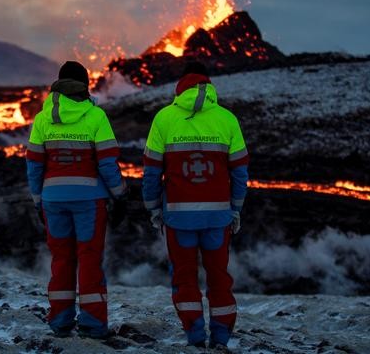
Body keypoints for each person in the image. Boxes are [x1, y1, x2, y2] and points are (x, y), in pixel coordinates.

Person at [142, 61, 249, 350]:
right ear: (209, 84)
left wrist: (153, 208)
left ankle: (195, 335)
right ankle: (221, 338)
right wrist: (235, 208)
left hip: (178, 219)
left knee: (185, 278)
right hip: (218, 219)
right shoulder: (227, 119)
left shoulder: (164, 118)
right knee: (219, 278)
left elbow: (151, 172)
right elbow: (240, 172)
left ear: (181, 85)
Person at [26, 60, 127, 338]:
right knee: (89, 260)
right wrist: (120, 195)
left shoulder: (43, 118)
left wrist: (38, 200)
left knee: (61, 259)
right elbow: (108, 163)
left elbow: (34, 165)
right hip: (89, 202)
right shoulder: (95, 117)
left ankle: (60, 321)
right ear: (84, 86)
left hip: (52, 201)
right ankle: (93, 325)